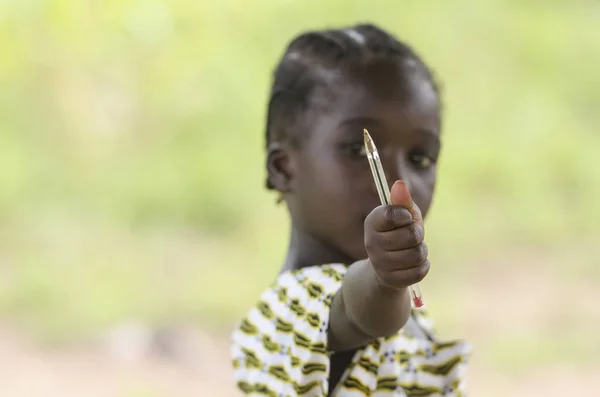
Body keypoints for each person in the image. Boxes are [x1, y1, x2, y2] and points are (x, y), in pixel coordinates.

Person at [230, 22, 471, 397]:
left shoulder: (406, 302)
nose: (396, 178)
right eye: (358, 151)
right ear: (284, 168)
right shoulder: (291, 313)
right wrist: (384, 280)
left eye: (420, 157)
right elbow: (360, 311)